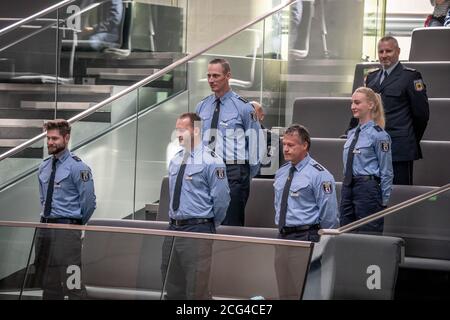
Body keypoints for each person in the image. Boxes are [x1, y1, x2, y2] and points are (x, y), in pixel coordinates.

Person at [160, 112, 230, 300]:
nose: (178, 133)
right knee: (171, 284)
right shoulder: (175, 160)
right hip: (173, 228)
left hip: (197, 229)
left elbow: (222, 200)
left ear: (196, 130)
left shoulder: (212, 161)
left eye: (183, 129)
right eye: (177, 129)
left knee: (196, 289)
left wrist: (209, 225)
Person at [345, 36, 429, 185]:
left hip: (399, 149)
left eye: (388, 51)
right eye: (381, 51)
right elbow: (362, 108)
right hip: (372, 146)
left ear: (398, 51)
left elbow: (421, 114)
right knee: (375, 193)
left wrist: (408, 139)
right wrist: (350, 131)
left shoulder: (411, 77)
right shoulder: (371, 77)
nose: (384, 55)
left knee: (398, 195)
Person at [273, 124, 339, 299]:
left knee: (306, 292)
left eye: (291, 145)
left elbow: (329, 216)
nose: (285, 149)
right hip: (282, 238)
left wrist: (320, 243)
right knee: (284, 292)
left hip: (305, 238)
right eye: (284, 144)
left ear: (305, 145)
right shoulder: (281, 173)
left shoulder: (320, 175)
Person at [35, 119, 96, 300]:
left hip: (67, 231)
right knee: (48, 283)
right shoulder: (44, 166)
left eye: (54, 138)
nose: (50, 142)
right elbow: (43, 198)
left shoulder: (79, 167)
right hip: (44, 229)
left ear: (66, 138)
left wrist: (74, 224)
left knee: (72, 283)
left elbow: (89, 203)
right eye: (48, 138)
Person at [196, 58, 262, 226]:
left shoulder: (244, 108)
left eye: (216, 76)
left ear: (228, 76)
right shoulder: (201, 106)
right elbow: (196, 142)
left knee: (230, 225)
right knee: (204, 222)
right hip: (206, 171)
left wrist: (244, 175)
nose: (211, 80)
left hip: (233, 171)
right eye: (209, 76)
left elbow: (255, 146)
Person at [340, 87, 393, 234]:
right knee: (345, 232)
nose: (353, 106)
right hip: (348, 186)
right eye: (352, 103)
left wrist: (383, 200)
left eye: (357, 103)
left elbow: (387, 170)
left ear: (370, 105)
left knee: (368, 234)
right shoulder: (351, 133)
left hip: (368, 188)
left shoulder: (379, 135)